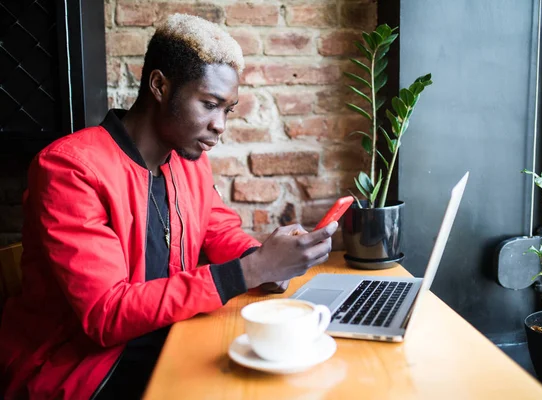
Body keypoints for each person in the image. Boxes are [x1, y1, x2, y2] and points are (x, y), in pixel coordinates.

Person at [0, 14, 336, 399]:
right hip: (81, 372)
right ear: (159, 85)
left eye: (227, 109)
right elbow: (105, 315)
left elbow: (217, 230)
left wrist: (265, 260)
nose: (220, 125)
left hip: (168, 339)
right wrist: (251, 270)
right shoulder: (69, 168)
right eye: (209, 104)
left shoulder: (186, 160)